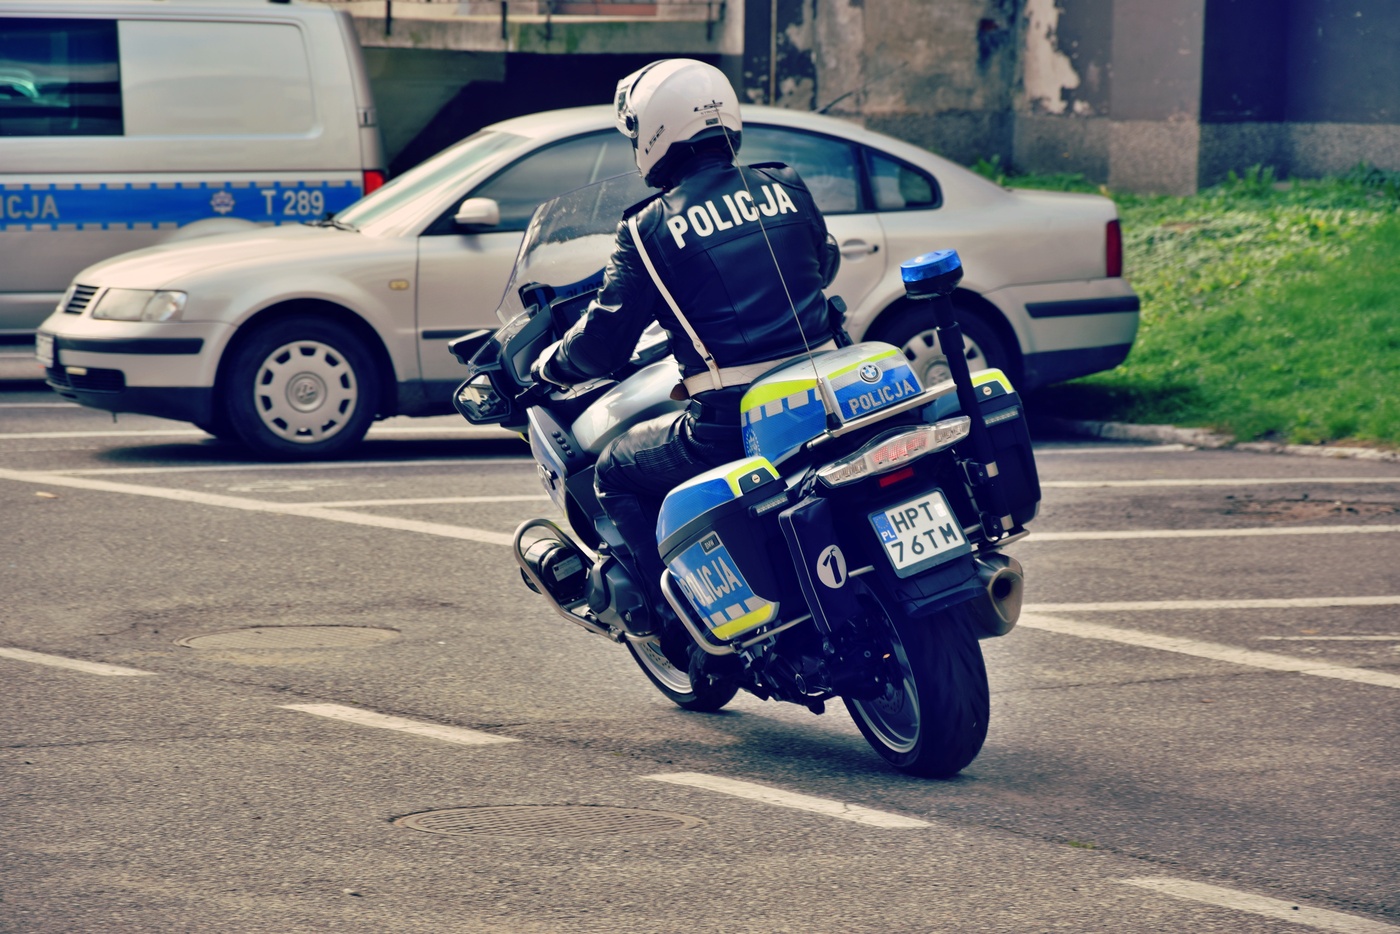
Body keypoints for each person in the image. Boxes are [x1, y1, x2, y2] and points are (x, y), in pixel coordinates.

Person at [533, 58, 840, 640]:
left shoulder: (647, 229)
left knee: (614, 471)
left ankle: (674, 626)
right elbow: (822, 265)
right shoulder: (787, 184)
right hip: (830, 390)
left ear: (654, 132)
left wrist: (553, 363)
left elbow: (605, 340)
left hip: (732, 423)